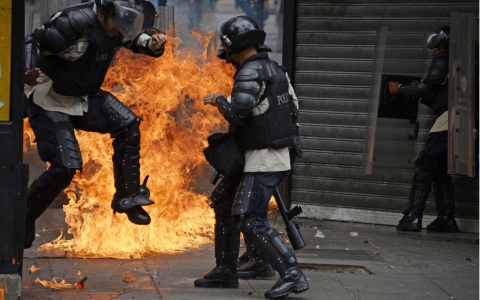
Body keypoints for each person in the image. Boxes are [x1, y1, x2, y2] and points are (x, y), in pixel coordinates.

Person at [23, 0, 168, 249]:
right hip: (49, 97)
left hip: (84, 96)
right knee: (64, 168)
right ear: (103, 12)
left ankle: (128, 198)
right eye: (117, 23)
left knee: (128, 125)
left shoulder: (117, 25)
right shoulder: (73, 23)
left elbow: (133, 38)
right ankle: (21, 218)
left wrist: (152, 44)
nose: (120, 30)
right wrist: (26, 68)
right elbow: (31, 40)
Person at [194, 16, 309, 299]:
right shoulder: (275, 69)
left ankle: (292, 274)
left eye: (228, 52)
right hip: (264, 155)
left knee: (251, 218)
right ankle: (229, 269)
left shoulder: (250, 71)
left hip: (263, 158)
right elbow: (293, 108)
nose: (228, 59)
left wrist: (219, 100)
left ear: (235, 47)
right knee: (224, 203)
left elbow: (238, 114)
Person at [389, 26, 459, 233]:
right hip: (463, 120)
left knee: (425, 165)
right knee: (439, 169)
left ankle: (413, 216)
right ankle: (446, 218)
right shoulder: (466, 62)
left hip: (449, 121)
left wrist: (400, 89)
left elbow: (428, 86)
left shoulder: (445, 59)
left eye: (438, 47)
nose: (436, 51)